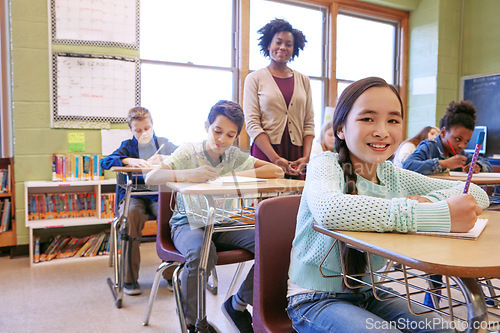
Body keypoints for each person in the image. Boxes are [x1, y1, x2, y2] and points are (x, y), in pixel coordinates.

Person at [286, 77, 489, 333]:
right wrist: (436, 214)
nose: (382, 131)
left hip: (371, 293)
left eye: (393, 120)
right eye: (367, 118)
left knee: (445, 330)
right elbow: (331, 210)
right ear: (340, 129)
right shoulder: (325, 164)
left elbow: (477, 194)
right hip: (314, 299)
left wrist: (430, 200)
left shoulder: (391, 173)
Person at [146, 100, 284, 333]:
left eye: (230, 135)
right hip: (188, 223)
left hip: (223, 223)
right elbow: (151, 177)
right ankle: (195, 323)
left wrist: (234, 173)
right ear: (206, 126)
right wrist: (192, 174)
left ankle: (238, 304)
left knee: (276, 246)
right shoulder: (189, 151)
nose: (222, 140)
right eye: (217, 131)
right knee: (201, 253)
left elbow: (276, 170)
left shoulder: (233, 156)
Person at [101, 106, 178, 296]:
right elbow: (105, 162)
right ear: (131, 130)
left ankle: (171, 275)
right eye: (138, 130)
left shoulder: (163, 143)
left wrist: (166, 159)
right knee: (131, 217)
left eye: (147, 128)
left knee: (170, 217)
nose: (143, 133)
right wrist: (128, 161)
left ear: (152, 126)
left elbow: (186, 155)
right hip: (134, 196)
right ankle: (129, 280)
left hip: (158, 195)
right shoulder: (127, 146)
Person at [243, 18, 315, 179]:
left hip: (297, 155)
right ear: (269, 45)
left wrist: (306, 157)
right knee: (266, 202)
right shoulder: (254, 78)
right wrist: (274, 158)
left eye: (288, 44)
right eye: (278, 42)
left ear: (294, 49)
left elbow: (309, 123)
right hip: (266, 153)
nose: (283, 47)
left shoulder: (304, 80)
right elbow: (252, 123)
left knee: (295, 201)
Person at [402, 101, 492, 174]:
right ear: (444, 133)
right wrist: (444, 164)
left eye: (466, 141)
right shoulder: (429, 147)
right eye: (458, 139)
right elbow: (408, 165)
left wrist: (477, 166)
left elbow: (486, 163)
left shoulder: (461, 154)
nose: (462, 146)